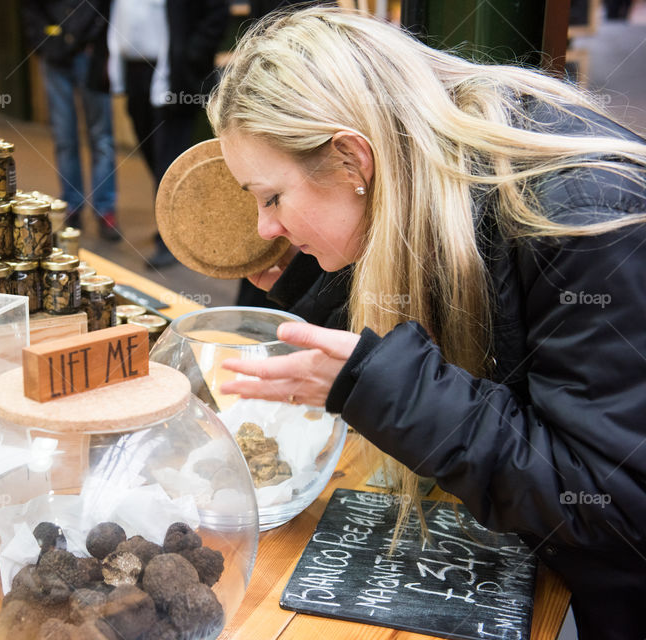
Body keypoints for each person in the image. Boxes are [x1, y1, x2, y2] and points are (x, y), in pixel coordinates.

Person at [207, 8, 646, 639]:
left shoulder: (577, 218)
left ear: (352, 161)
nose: (263, 229)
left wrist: (392, 391)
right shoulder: (430, 181)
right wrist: (311, 274)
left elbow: (610, 509)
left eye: (272, 197)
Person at [108, 0, 229, 267]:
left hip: (174, 74)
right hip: (135, 70)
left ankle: (171, 240)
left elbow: (217, 12)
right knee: (152, 153)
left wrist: (191, 53)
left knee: (169, 158)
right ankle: (176, 222)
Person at [22, 0, 120, 241]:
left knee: (101, 137)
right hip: (54, 58)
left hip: (91, 53)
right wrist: (46, 44)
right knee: (65, 136)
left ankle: (105, 209)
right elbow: (30, 10)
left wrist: (88, 40)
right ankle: (72, 204)